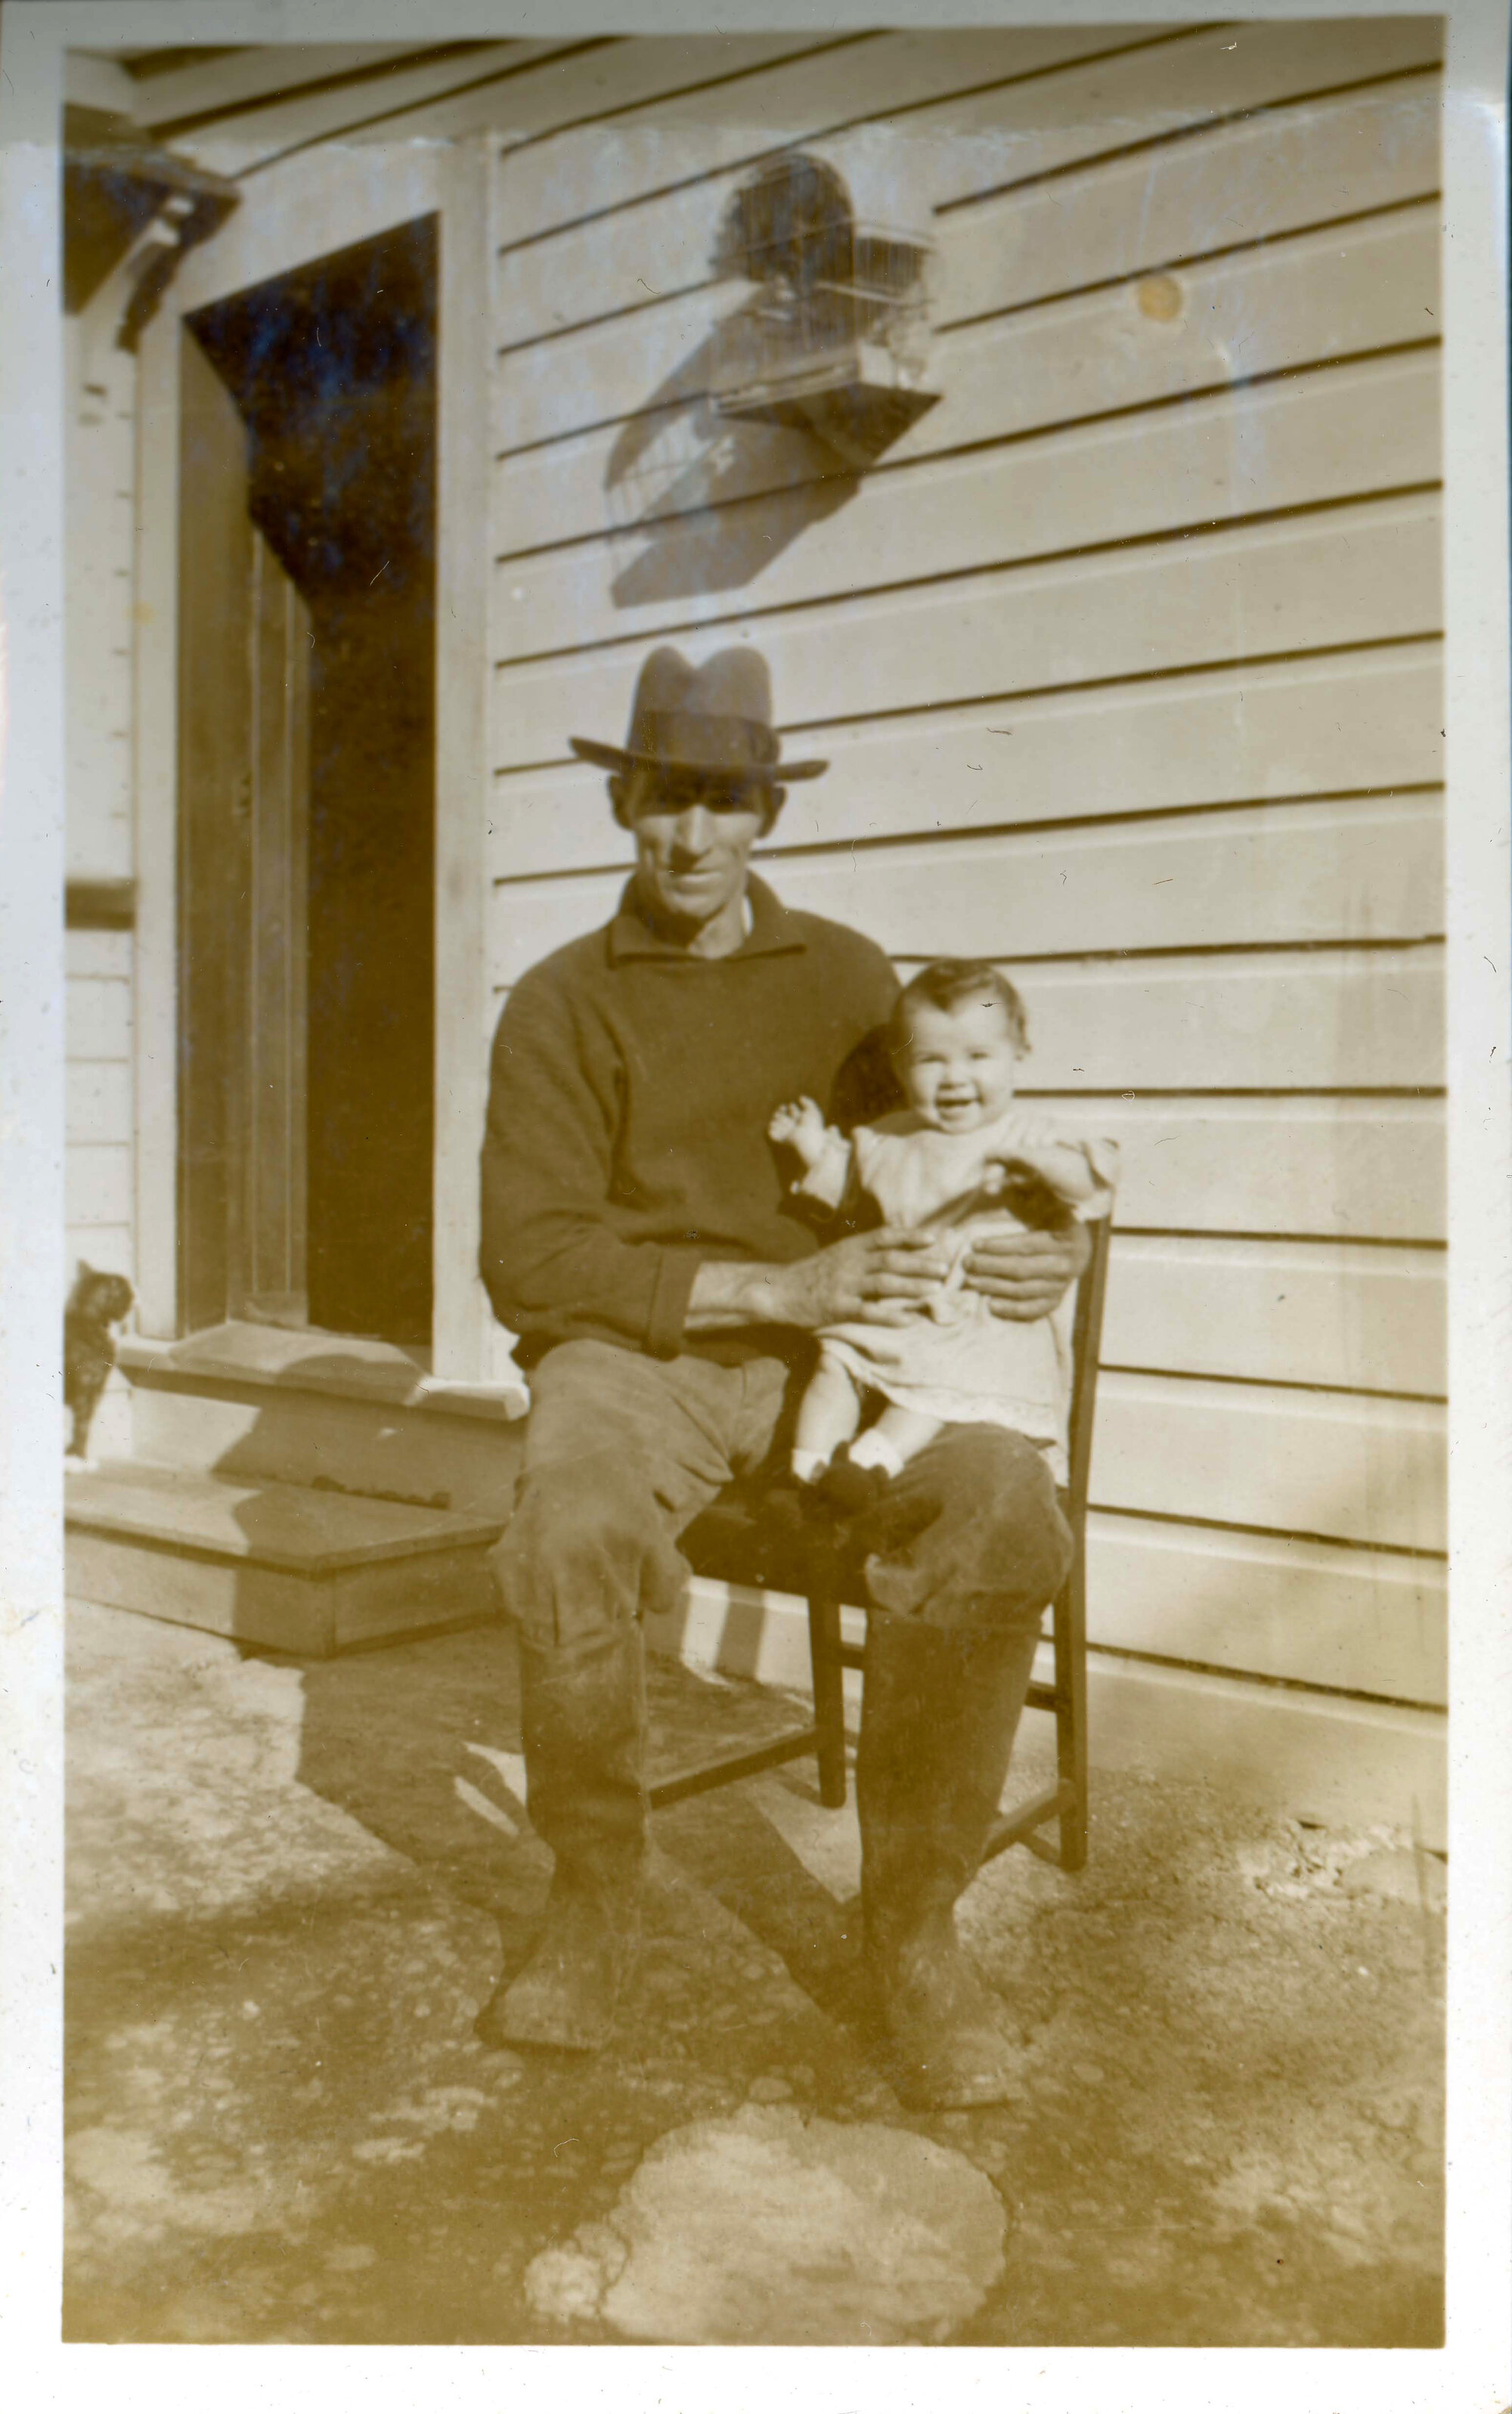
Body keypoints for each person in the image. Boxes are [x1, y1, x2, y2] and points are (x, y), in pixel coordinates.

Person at [477, 643, 1092, 2109]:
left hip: (876, 1362)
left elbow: (953, 1163)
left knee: (997, 1503)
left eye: (723, 799)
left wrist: (1044, 1248)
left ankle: (914, 1932)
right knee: (570, 1518)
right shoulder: (560, 1004)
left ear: (767, 811)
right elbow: (529, 1256)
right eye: (662, 800)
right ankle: (594, 1891)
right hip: (649, 1357)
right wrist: (767, 1286)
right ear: (621, 802)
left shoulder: (844, 976)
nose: (690, 835)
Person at [767, 959, 1118, 1514]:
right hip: (902, 1304)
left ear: (1018, 1052)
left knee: (939, 1387)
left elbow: (1089, 1179)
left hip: (981, 1319)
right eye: (931, 1061)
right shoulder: (890, 1138)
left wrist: (1038, 1164)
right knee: (836, 1359)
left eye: (978, 1057)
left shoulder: (1030, 1133)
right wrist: (811, 1147)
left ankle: (871, 1464)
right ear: (902, 1067)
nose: (955, 1078)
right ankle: (808, 1474)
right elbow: (846, 1190)